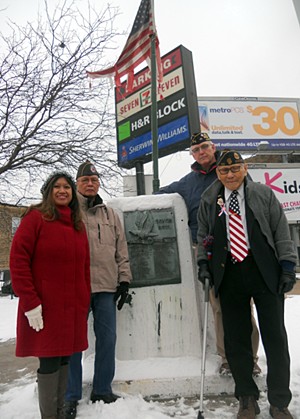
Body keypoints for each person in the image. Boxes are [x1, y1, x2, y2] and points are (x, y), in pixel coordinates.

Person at [197, 150, 296, 419]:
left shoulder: (263, 194)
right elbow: (203, 234)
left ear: (244, 168)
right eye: (224, 171)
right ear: (217, 173)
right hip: (228, 273)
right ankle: (247, 397)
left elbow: (281, 230)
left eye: (235, 169)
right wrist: (203, 264)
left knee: (275, 338)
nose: (230, 175)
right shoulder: (210, 199)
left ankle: (278, 400)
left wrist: (288, 266)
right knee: (237, 340)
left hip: (264, 270)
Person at [157, 132, 260, 376]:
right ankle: (226, 358)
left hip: (239, 249)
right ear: (192, 155)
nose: (201, 152)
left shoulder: (231, 171)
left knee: (245, 305)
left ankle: (251, 358)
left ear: (213, 147)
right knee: (219, 308)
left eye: (205, 146)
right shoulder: (187, 182)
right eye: (196, 149)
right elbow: (161, 192)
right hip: (209, 255)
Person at [9, 171, 91, 419]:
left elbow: (84, 267)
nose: (63, 191)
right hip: (45, 308)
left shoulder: (78, 224)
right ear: (48, 191)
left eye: (67, 187)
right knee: (50, 361)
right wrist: (31, 303)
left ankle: (60, 412)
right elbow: (18, 260)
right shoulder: (35, 218)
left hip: (72, 307)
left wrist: (84, 299)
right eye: (57, 186)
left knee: (66, 357)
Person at [64, 161, 132, 419]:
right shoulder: (69, 212)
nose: (90, 184)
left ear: (98, 183)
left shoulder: (110, 214)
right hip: (76, 288)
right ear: (77, 184)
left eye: (94, 180)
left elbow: (121, 250)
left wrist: (124, 280)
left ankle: (102, 389)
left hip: (105, 287)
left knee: (108, 339)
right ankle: (70, 395)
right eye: (85, 180)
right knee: (73, 343)